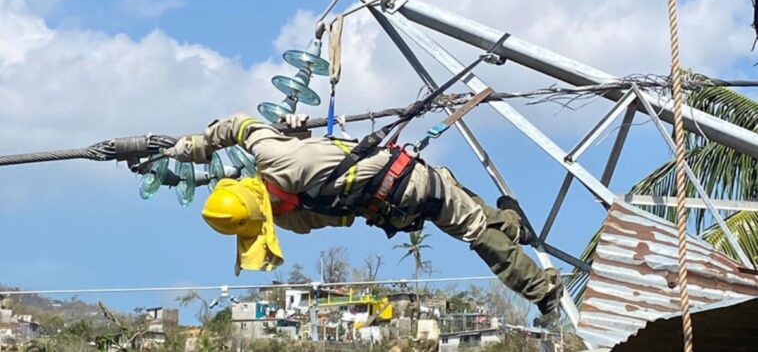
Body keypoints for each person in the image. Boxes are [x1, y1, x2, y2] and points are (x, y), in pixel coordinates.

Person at [165, 113, 563, 314]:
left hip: (398, 211)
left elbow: (343, 213)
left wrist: (301, 142)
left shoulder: (291, 218)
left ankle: (513, 226)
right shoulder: (274, 156)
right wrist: (197, 146)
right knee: (476, 230)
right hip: (413, 182)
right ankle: (542, 291)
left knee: (462, 202)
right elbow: (239, 125)